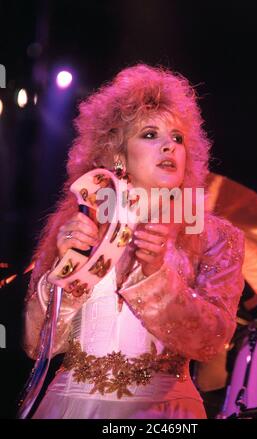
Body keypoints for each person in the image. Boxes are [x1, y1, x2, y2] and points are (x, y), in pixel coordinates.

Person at [22, 63, 245, 419]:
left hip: (164, 411)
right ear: (116, 153)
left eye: (178, 138)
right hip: (68, 405)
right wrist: (67, 269)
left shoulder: (216, 236)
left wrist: (157, 274)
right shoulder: (78, 224)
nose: (169, 147)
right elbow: (37, 346)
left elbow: (211, 341)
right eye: (150, 134)